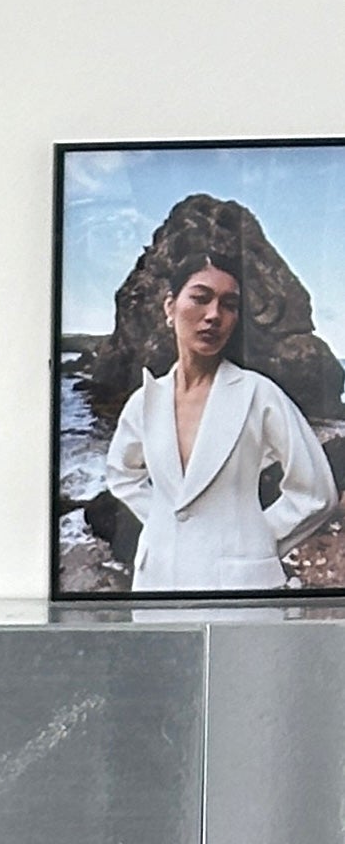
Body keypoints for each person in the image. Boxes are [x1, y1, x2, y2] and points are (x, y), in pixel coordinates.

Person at [103, 247, 336, 592]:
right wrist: (163, 520)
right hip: (157, 581)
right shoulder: (145, 401)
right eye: (200, 298)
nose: (214, 315)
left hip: (241, 586)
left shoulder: (258, 394)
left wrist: (256, 538)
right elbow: (122, 473)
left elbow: (315, 491)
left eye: (229, 305)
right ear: (170, 307)